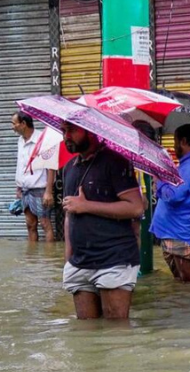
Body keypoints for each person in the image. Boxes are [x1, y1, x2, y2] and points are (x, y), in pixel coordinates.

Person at [59, 121, 146, 319]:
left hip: (114, 259)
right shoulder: (69, 168)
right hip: (80, 262)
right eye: (64, 131)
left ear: (90, 131)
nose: (66, 136)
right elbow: (68, 213)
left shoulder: (116, 162)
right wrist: (68, 259)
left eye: (72, 130)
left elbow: (136, 207)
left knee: (116, 333)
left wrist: (86, 206)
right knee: (87, 334)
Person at [149, 125, 190, 282]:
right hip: (180, 233)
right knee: (183, 286)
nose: (173, 146)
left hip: (183, 234)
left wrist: (159, 181)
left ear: (183, 141)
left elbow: (173, 196)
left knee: (189, 286)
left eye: (175, 141)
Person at [12, 111, 55, 242]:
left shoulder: (43, 139)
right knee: (30, 225)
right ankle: (32, 259)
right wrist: (19, 188)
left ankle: (50, 259)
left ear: (23, 124)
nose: (12, 126)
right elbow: (21, 165)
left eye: (14, 123)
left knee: (45, 224)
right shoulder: (20, 140)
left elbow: (51, 166)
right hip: (26, 190)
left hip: (40, 190)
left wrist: (48, 191)